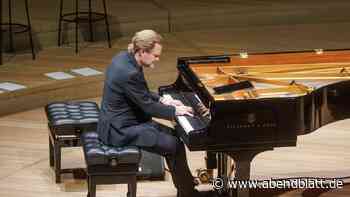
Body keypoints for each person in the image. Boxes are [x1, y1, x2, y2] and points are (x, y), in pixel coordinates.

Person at [97, 29, 201, 197]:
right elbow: (148, 108)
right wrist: (176, 111)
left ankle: (186, 187)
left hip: (122, 122)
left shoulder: (123, 58)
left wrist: (163, 99)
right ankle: (188, 192)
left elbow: (140, 93)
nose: (157, 59)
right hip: (119, 130)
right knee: (174, 146)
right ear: (142, 51)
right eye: (155, 55)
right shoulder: (130, 73)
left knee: (175, 137)